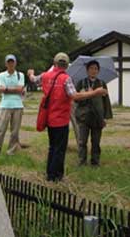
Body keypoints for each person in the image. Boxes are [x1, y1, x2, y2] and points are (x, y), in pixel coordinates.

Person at [28, 52, 107, 182]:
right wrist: (95, 92)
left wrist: (30, 73)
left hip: (49, 118)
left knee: (52, 147)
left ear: (54, 64)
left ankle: (49, 174)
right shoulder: (66, 79)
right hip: (61, 120)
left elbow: (34, 79)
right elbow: (75, 96)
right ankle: (56, 177)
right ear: (66, 66)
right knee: (60, 149)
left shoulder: (45, 76)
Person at [74, 60, 113, 166]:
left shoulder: (102, 84)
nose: (93, 71)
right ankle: (82, 161)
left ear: (98, 71)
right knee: (82, 141)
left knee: (96, 142)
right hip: (84, 116)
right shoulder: (81, 83)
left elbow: (106, 101)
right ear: (87, 70)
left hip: (97, 117)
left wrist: (105, 117)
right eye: (91, 68)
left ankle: (95, 162)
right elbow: (75, 99)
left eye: (96, 69)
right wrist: (86, 93)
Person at [0, 55, 25, 157]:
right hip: (5, 105)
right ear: (6, 64)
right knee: (0, 129)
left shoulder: (20, 75)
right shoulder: (1, 75)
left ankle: (11, 151)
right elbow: (1, 89)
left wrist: (7, 89)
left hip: (18, 105)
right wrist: (15, 90)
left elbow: (20, 89)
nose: (11, 64)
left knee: (15, 131)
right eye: (9, 62)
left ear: (15, 63)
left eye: (12, 62)